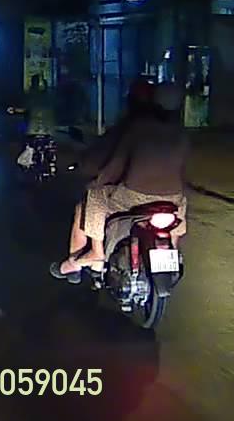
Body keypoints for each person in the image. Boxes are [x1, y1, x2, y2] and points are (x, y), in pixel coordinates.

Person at [50, 82, 189, 282]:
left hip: (134, 197)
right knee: (181, 205)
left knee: (95, 196)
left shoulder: (138, 128)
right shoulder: (182, 133)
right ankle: (173, 248)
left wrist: (98, 182)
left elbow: (116, 164)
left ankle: (96, 252)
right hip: (172, 199)